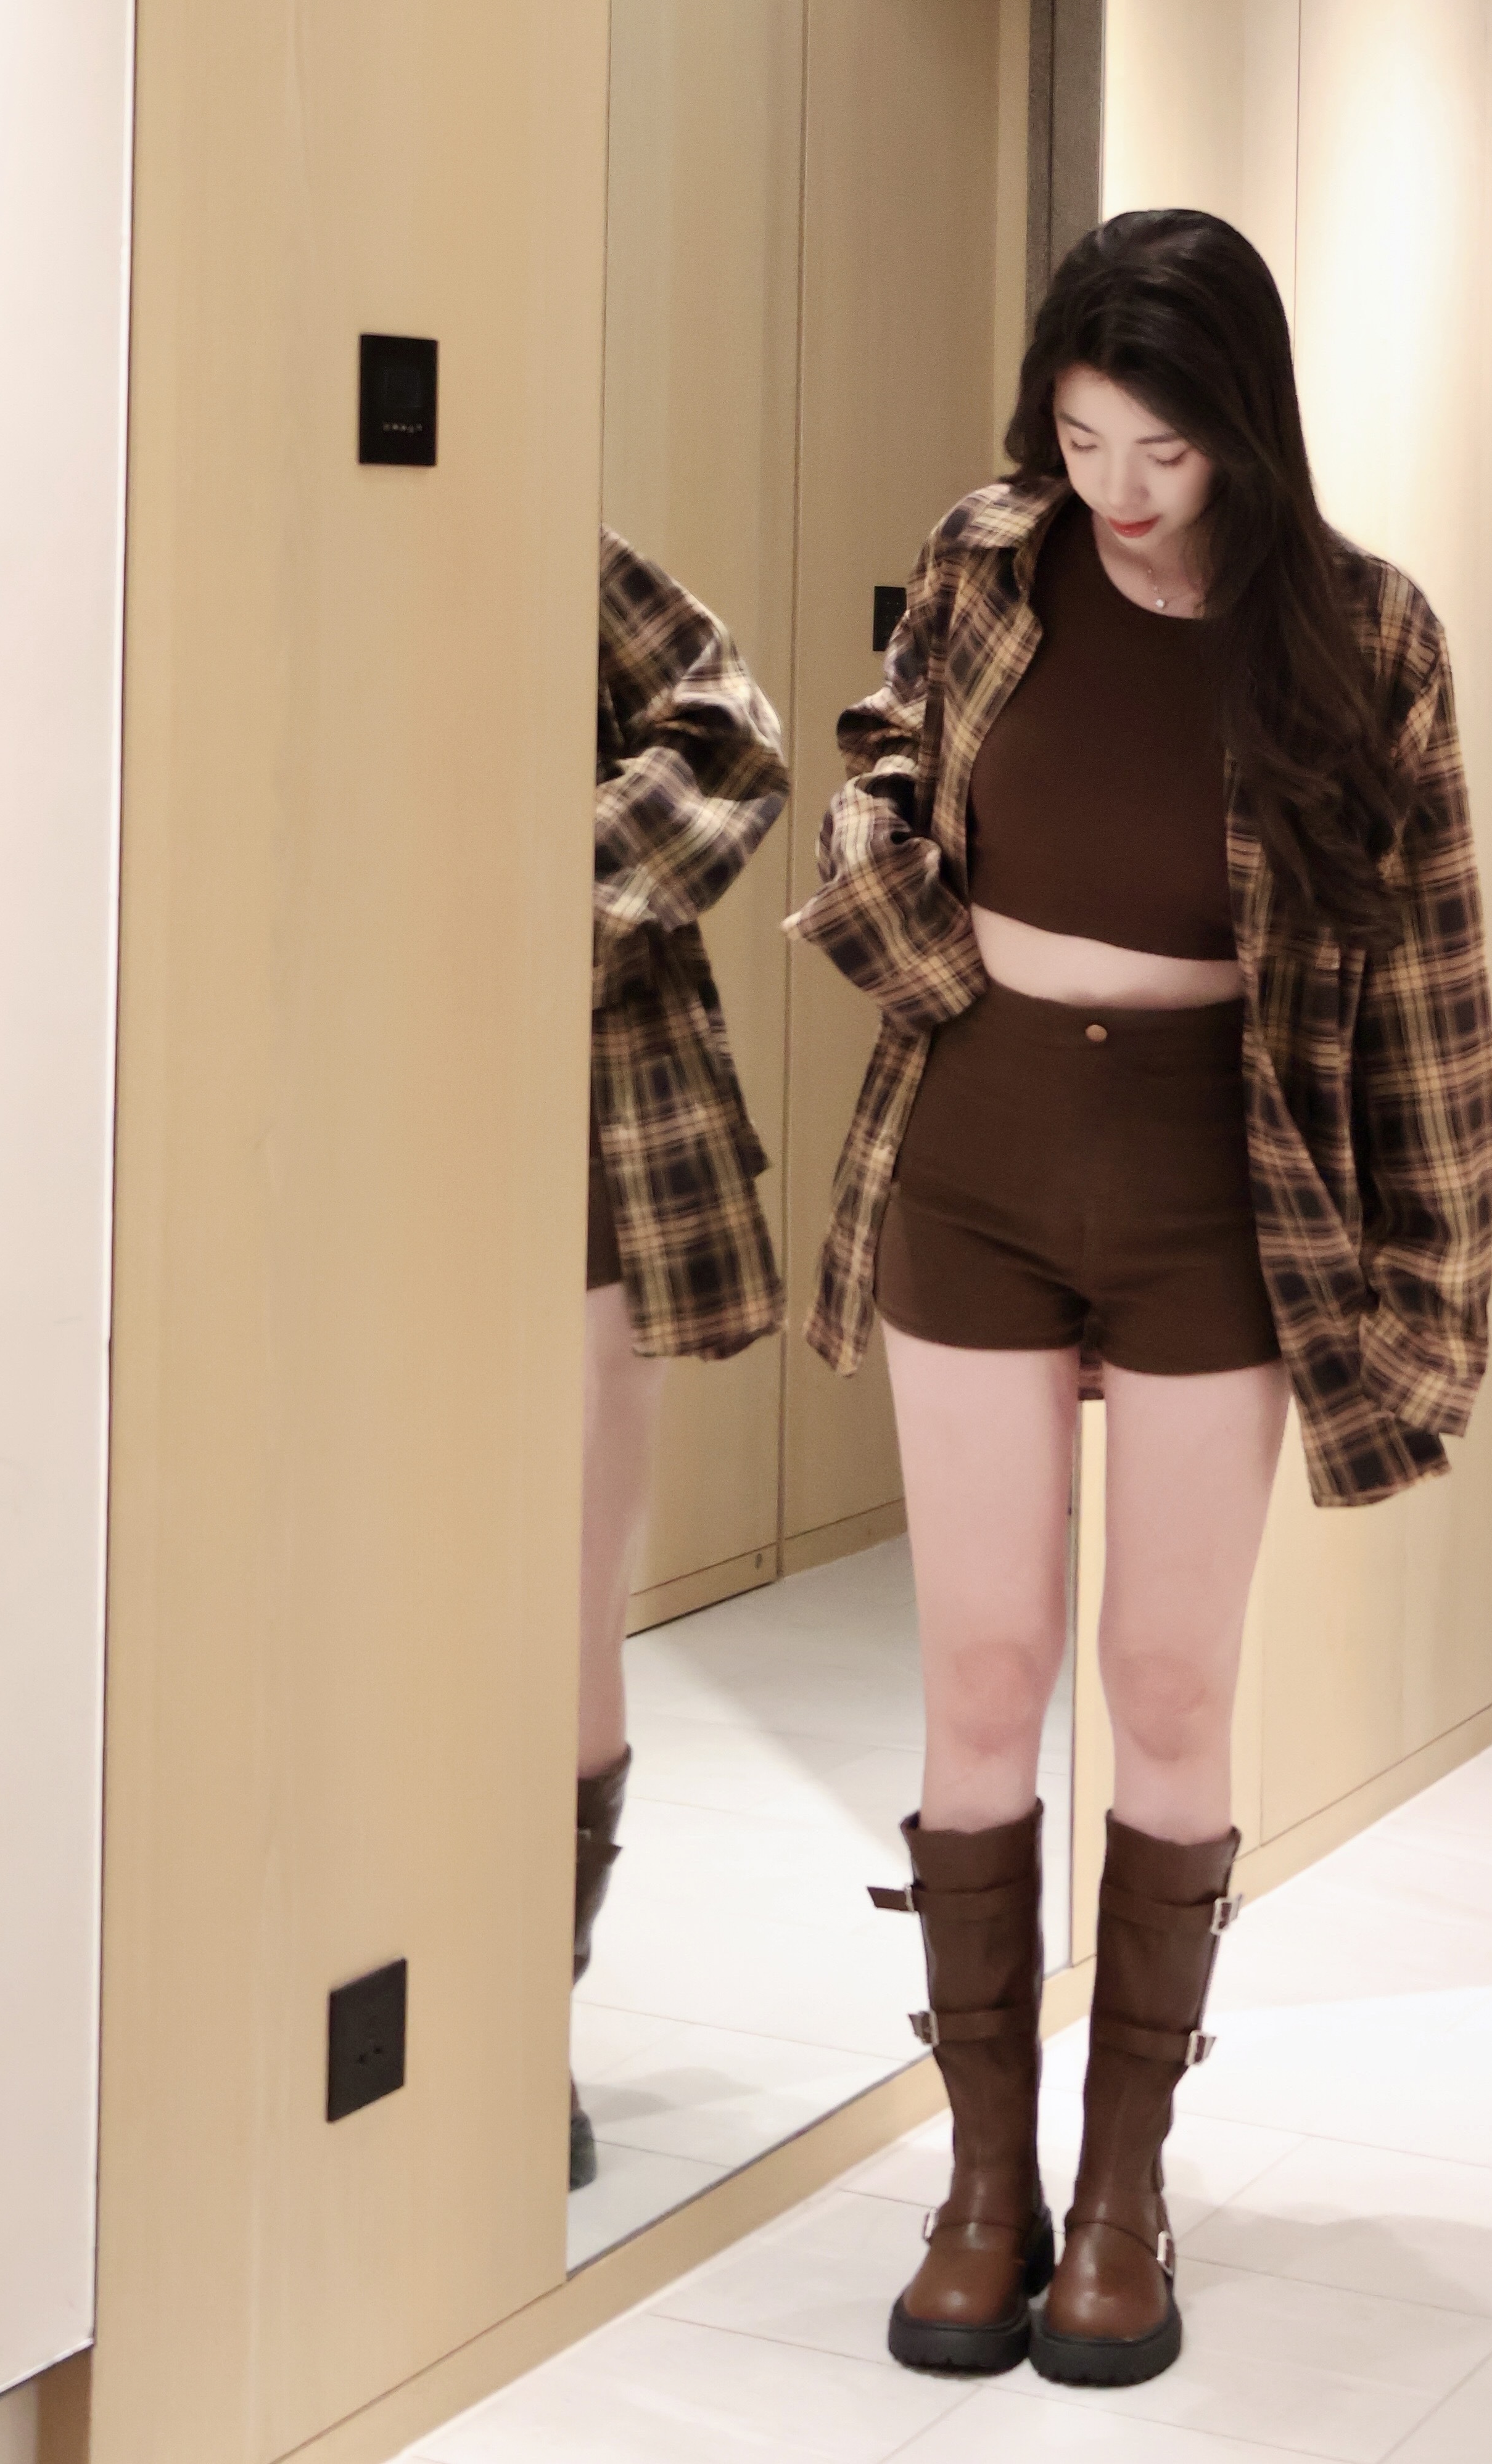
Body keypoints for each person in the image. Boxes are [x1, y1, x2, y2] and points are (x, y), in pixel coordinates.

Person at [789, 210, 1492, 2385]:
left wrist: (1429, 1286)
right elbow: (883, 770)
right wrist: (899, 920)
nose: (1117, 488)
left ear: (1245, 436)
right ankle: (981, 2185)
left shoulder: (1364, 633)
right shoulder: (989, 559)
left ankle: (1122, 2188)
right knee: (983, 1661)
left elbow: (1432, 983)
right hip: (981, 1147)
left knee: (1169, 1681)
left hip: (1223, 1180)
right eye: (1085, 438)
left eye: (1163, 452)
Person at [575, 528, 789, 2189]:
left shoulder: (546, 540)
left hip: (587, 1121)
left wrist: (557, 889)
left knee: (568, 1594)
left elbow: (734, 725)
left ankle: (531, 2025)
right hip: (327, 1117)